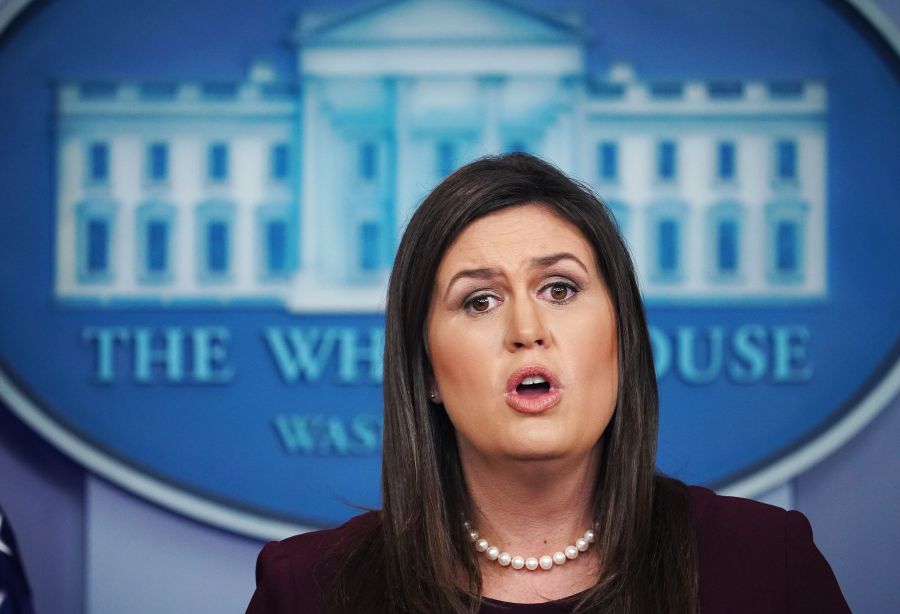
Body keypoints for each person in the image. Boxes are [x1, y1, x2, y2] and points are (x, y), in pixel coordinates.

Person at [247, 153, 849, 613]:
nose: (526, 329)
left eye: (559, 290)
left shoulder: (769, 564)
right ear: (426, 369)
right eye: (480, 301)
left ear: (623, 336)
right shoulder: (309, 591)